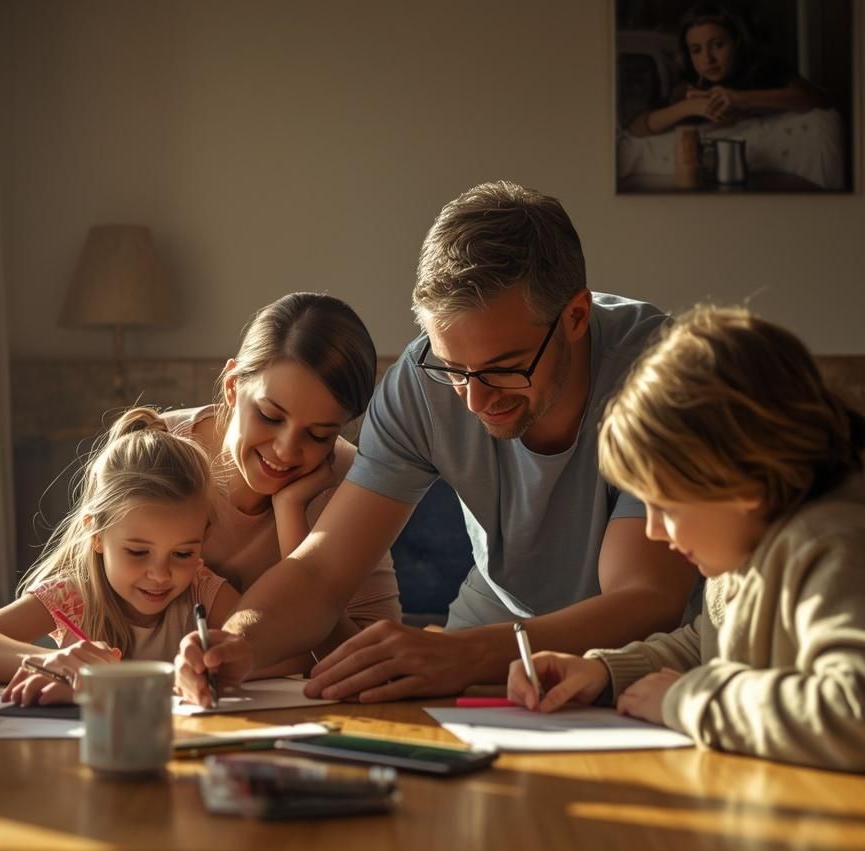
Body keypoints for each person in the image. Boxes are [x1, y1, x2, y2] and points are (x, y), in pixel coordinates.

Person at [506, 306, 865, 851]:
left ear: (745, 480)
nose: (653, 530)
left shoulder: (838, 548)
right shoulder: (747, 552)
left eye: (667, 504)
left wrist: (688, 698)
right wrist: (602, 671)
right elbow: (707, 641)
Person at [175, 181, 699, 706]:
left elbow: (645, 598)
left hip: (636, 654)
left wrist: (465, 655)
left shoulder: (661, 373)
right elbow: (320, 571)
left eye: (503, 368)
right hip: (495, 622)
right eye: (454, 368)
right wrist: (236, 645)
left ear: (576, 318)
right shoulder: (420, 381)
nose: (474, 400)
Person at [162, 292, 400, 673]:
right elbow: (70, 600)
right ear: (232, 386)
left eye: (319, 435)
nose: (287, 452)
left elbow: (370, 658)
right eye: (271, 416)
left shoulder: (349, 481)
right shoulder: (156, 449)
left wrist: (292, 518)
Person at [0, 408, 240, 705]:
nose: (160, 574)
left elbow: (277, 650)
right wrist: (57, 661)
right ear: (96, 534)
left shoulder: (201, 589)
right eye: (138, 552)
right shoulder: (73, 595)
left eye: (183, 553)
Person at [627, 3, 830, 138]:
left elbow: (818, 99)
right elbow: (635, 129)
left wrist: (741, 99)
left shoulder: (764, 70)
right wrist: (691, 106)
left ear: (737, 44)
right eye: (696, 50)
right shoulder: (688, 88)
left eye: (717, 45)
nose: (708, 59)